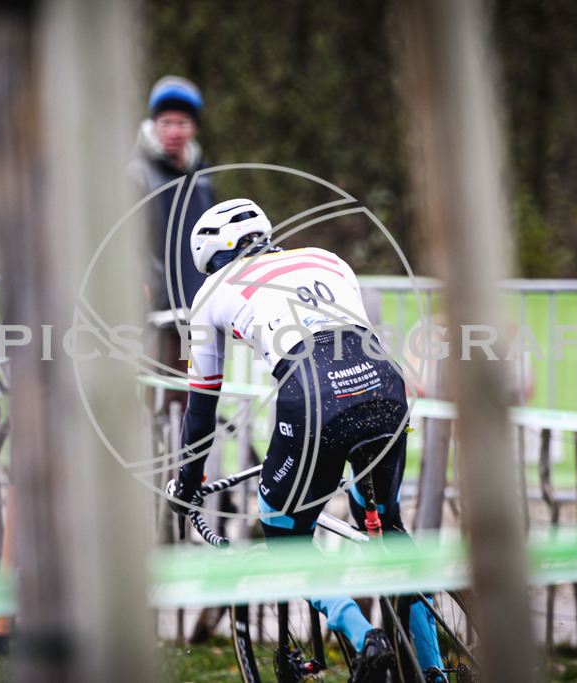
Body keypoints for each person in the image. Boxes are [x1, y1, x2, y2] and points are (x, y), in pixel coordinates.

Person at [166, 198, 443, 682]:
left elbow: (201, 410)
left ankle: (365, 639)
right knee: (389, 532)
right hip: (383, 383)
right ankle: (437, 672)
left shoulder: (211, 293)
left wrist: (187, 483)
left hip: (314, 396)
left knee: (284, 539)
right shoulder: (327, 258)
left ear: (213, 257)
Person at [130, 76, 218, 409]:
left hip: (195, 310)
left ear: (194, 126)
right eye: (166, 122)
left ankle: (179, 463)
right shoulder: (137, 174)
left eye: (182, 122)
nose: (174, 130)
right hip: (155, 312)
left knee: (187, 398)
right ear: (154, 123)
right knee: (153, 397)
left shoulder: (201, 175)